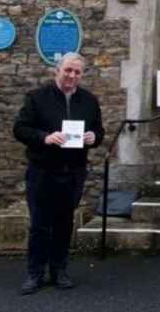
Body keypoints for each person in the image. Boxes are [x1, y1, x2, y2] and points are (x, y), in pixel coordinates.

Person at [13, 52, 104, 295]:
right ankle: (35, 273)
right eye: (68, 70)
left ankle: (59, 270)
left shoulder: (89, 101)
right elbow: (20, 129)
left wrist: (94, 137)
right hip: (42, 171)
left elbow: (98, 130)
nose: (72, 76)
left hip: (73, 172)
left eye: (77, 72)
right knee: (40, 225)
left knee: (64, 224)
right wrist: (44, 137)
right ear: (57, 70)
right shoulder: (36, 97)